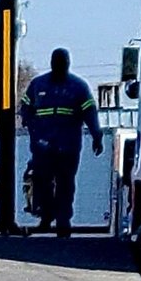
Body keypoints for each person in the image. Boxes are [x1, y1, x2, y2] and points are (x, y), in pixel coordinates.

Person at [20, 48, 103, 238]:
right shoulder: (38, 84)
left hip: (68, 145)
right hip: (43, 145)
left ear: (68, 63)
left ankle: (63, 221)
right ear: (51, 63)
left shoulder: (78, 87)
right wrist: (31, 127)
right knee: (42, 181)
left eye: (63, 62)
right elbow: (25, 107)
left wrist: (96, 135)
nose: (60, 65)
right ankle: (46, 217)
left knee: (66, 184)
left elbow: (90, 113)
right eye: (57, 62)